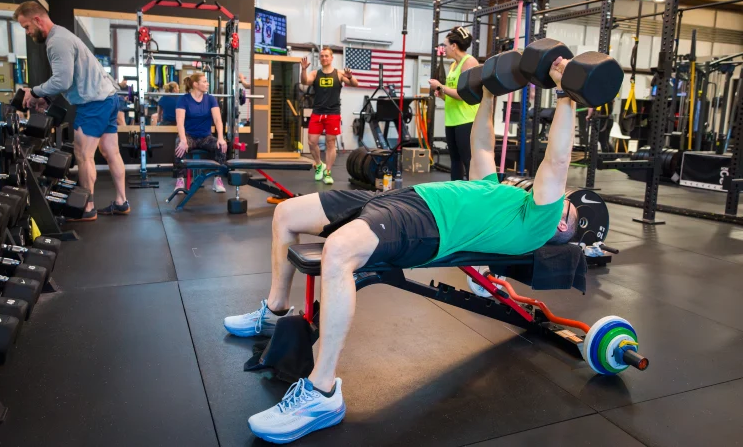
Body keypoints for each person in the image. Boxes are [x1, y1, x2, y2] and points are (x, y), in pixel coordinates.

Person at [226, 56, 580, 444]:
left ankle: (321, 393)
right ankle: (275, 311)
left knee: (339, 251)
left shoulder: (539, 222)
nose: (561, 198)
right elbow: (481, 146)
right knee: (287, 214)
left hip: (427, 225)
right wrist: (489, 92)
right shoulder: (498, 191)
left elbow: (557, 161)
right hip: (401, 199)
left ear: (561, 224)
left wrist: (567, 94)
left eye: (566, 204)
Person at [15, 1, 129, 220]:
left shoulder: (56, 41)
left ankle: (87, 208)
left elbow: (62, 80)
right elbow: (71, 79)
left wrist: (35, 92)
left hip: (94, 104)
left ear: (37, 20)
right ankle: (121, 201)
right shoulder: (63, 35)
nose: (27, 33)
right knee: (111, 152)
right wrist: (46, 97)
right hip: (109, 98)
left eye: (27, 27)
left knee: (84, 155)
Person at [428, 26, 480, 180]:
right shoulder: (452, 65)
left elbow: (464, 95)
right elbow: (452, 94)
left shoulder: (469, 62)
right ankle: (456, 191)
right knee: (455, 161)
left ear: (454, 46)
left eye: (445, 45)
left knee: (468, 160)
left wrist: (440, 86)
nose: (443, 49)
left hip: (466, 119)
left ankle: (473, 191)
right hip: (452, 120)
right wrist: (442, 95)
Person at [300, 48, 358, 185]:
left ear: (331, 58)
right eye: (322, 56)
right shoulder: (315, 73)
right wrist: (303, 70)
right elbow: (305, 81)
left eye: (326, 56)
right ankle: (319, 164)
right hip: (317, 113)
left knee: (330, 143)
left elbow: (355, 84)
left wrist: (350, 76)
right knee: (311, 142)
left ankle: (328, 172)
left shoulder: (339, 73)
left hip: (333, 113)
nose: (324, 58)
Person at [174, 73, 228, 192]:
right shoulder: (184, 99)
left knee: (221, 146)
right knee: (179, 145)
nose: (207, 84)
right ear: (195, 84)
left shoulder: (210, 99)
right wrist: (183, 140)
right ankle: (180, 180)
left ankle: (217, 179)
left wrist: (220, 138)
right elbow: (180, 121)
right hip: (189, 136)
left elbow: (218, 120)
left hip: (205, 137)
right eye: (204, 81)